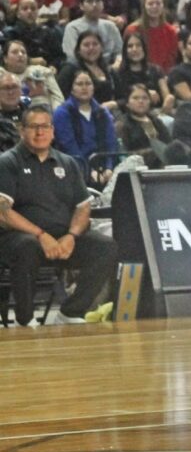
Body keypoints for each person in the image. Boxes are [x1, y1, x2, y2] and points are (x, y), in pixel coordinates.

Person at [0, 103, 118, 327]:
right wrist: (40, 234)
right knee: (27, 246)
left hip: (62, 239)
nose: (40, 132)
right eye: (33, 127)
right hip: (15, 238)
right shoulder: (8, 162)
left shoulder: (68, 163)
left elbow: (83, 207)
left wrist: (72, 236)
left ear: (53, 131)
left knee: (106, 247)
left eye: (45, 126)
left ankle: (71, 311)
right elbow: (3, 212)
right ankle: (25, 319)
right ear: (21, 130)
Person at [52, 70, 117, 185]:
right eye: (79, 84)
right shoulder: (62, 113)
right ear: (71, 88)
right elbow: (69, 148)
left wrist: (109, 168)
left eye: (88, 83)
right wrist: (89, 171)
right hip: (73, 169)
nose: (84, 87)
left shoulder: (102, 112)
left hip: (102, 167)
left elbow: (111, 143)